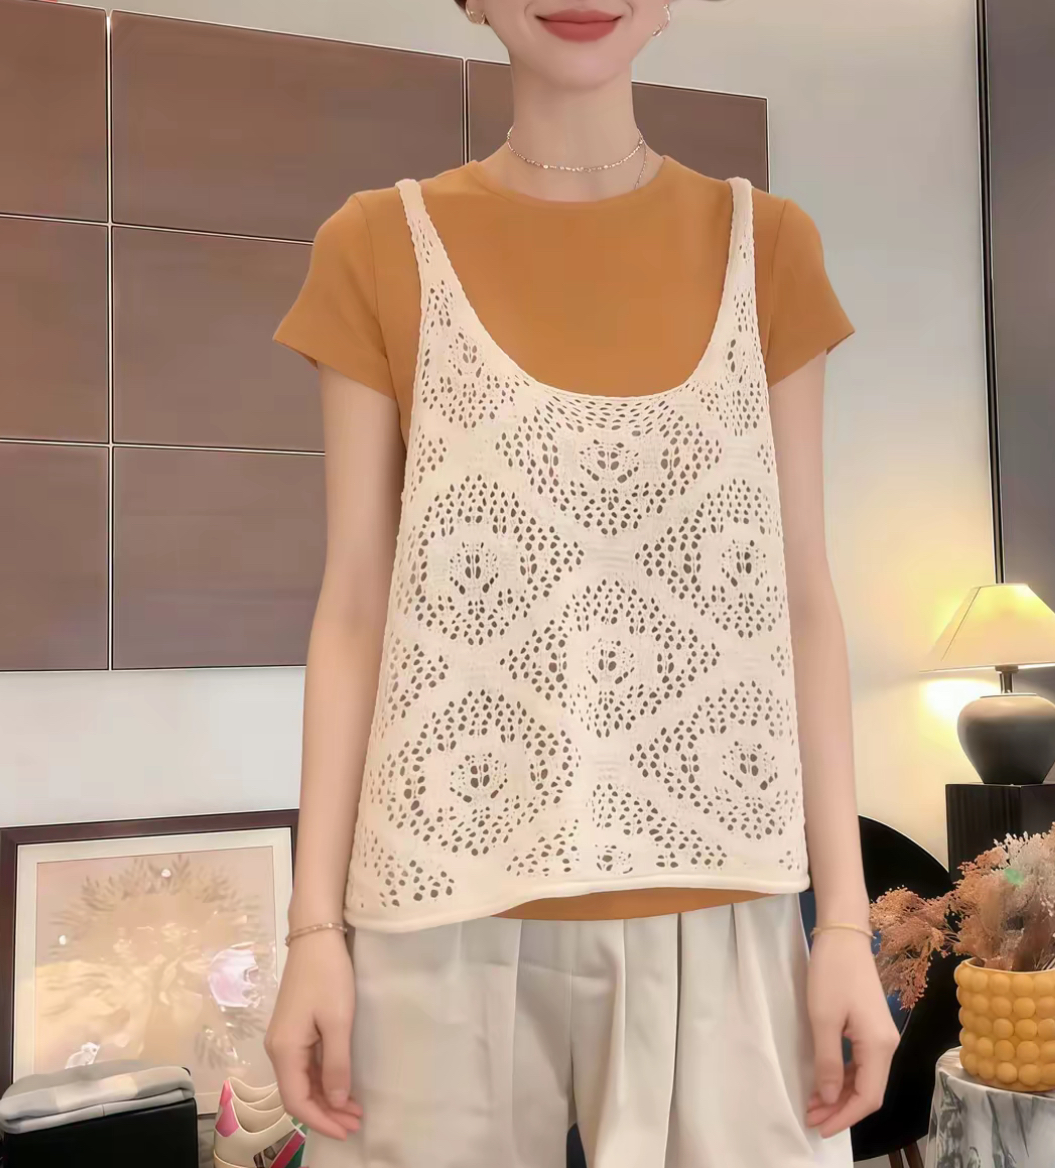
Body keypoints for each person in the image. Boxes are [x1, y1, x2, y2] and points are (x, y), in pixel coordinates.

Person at [267, 2, 899, 1164]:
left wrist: (846, 926)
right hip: (436, 905)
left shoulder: (767, 245)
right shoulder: (374, 244)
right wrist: (312, 928)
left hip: (724, 901)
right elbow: (353, 606)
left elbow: (803, 596)